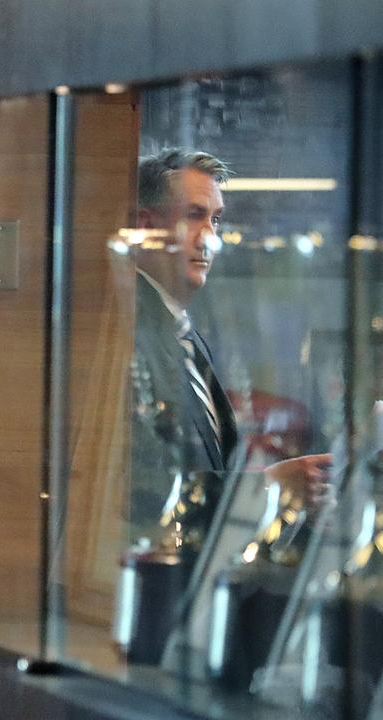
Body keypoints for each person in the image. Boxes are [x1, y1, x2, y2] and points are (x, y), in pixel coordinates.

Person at [128, 147, 333, 543]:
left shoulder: (182, 334)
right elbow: (137, 486)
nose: (209, 237)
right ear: (145, 227)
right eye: (194, 215)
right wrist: (269, 485)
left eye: (216, 220)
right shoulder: (128, 328)